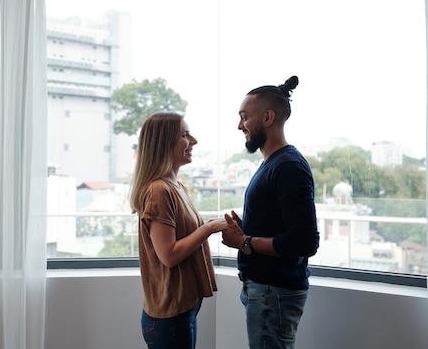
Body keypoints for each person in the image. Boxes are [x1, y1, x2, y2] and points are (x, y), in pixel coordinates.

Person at [221, 76, 320, 349]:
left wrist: (244, 242)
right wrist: (248, 230)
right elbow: (279, 222)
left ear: (267, 117)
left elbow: (304, 242)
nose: (240, 125)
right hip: (266, 292)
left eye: (244, 117)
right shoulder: (274, 163)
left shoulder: (288, 166)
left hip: (272, 294)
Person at [130, 112, 227, 349]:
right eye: (185, 135)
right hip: (169, 316)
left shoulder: (176, 187)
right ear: (164, 144)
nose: (193, 141)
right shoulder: (159, 191)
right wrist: (210, 227)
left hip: (183, 309)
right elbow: (169, 255)